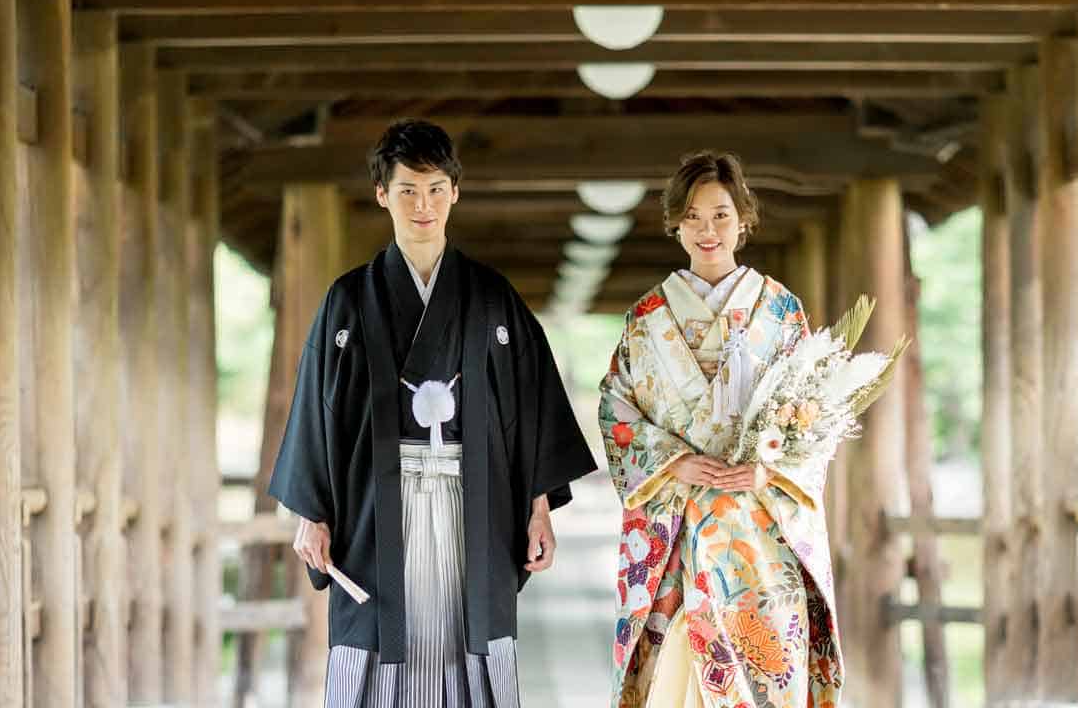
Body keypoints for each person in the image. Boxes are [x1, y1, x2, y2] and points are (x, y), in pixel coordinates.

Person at [269, 118, 598, 708]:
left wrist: (539, 507)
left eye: (435, 190)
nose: (423, 205)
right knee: (378, 643)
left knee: (467, 641)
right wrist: (312, 513)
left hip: (475, 501)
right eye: (408, 191)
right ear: (382, 195)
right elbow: (318, 412)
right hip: (375, 507)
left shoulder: (492, 297)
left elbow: (530, 406)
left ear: (455, 192)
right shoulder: (349, 299)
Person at [599, 152, 843, 707]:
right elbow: (616, 408)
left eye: (720, 216)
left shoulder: (780, 311)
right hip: (678, 520)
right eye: (692, 217)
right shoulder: (647, 317)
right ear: (675, 224)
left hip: (757, 525)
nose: (707, 230)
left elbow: (815, 411)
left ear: (743, 220)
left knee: (765, 666)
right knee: (673, 677)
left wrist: (769, 469)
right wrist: (674, 461)